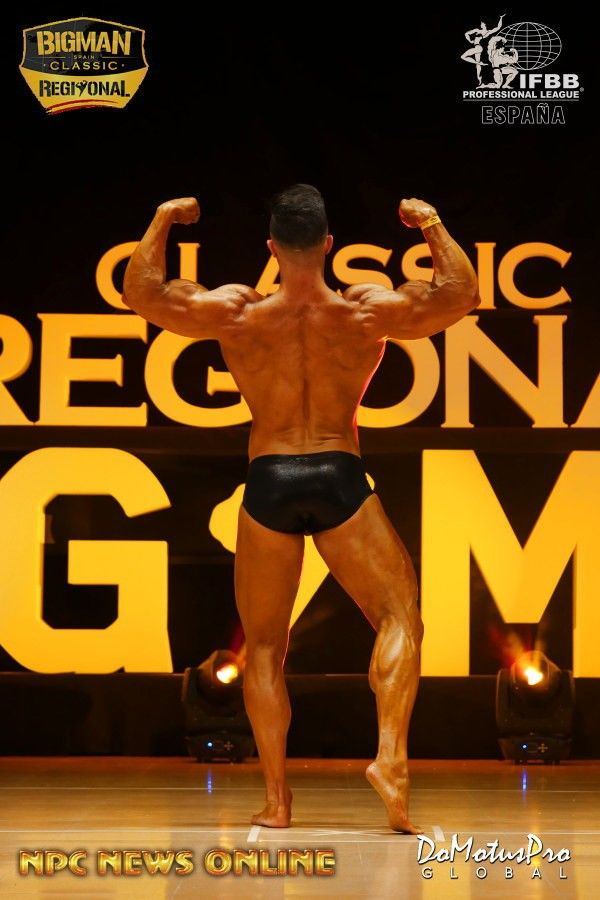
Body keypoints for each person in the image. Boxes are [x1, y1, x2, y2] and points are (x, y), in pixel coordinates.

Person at [122, 185, 480, 834]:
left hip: (270, 480)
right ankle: (390, 761)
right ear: (328, 244)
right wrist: (430, 222)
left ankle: (277, 802)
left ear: (271, 247)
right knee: (400, 617)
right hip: (339, 474)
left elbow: (143, 293)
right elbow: (459, 294)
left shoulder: (236, 313)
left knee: (264, 647)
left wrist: (163, 218)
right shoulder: (365, 311)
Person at [461, 14, 505, 85]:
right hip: (478, 48)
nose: (480, 24)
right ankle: (479, 79)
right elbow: (466, 34)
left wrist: (501, 18)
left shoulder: (483, 31)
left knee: (463, 56)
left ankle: (480, 64)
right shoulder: (481, 31)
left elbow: (498, 27)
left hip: (478, 47)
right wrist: (470, 41)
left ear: (484, 24)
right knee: (477, 65)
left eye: (482, 23)